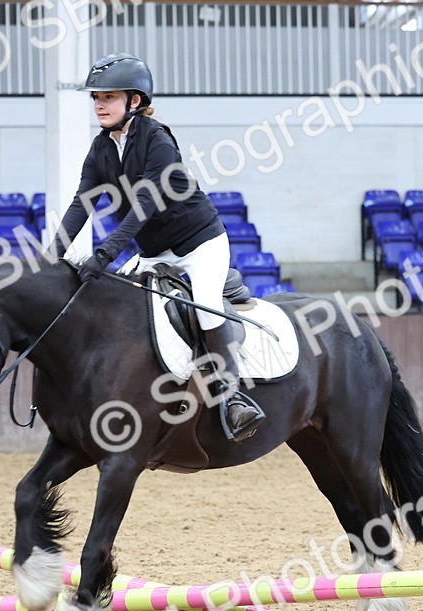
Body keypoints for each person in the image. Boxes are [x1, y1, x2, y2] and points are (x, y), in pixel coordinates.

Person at [56, 53, 264, 442]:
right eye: (96, 97)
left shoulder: (157, 140)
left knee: (203, 305)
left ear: (134, 101)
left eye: (109, 96)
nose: (99, 103)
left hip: (199, 245)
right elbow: (81, 204)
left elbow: (144, 206)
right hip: (154, 253)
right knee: (114, 307)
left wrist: (104, 254)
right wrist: (52, 257)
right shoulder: (101, 149)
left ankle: (232, 396)